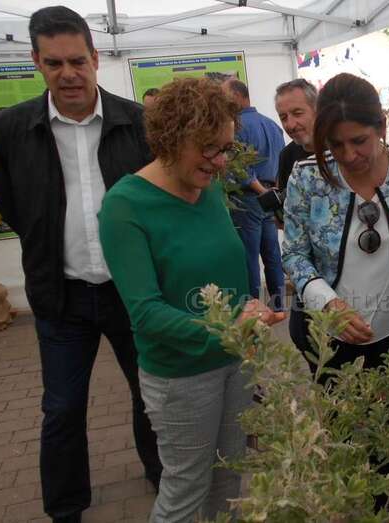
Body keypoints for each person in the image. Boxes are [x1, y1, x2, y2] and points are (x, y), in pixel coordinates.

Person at [0, 7, 161, 521]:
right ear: (36, 62)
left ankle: (163, 476)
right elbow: (15, 207)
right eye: (55, 63)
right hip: (60, 297)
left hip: (132, 293)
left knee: (150, 394)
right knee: (62, 408)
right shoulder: (12, 128)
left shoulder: (137, 122)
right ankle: (65, 508)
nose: (68, 74)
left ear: (96, 58)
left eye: (78, 61)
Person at [98, 77, 283, 522]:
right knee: (185, 490)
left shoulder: (210, 187)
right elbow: (146, 313)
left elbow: (222, 273)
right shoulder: (125, 206)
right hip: (180, 377)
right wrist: (228, 328)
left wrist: (248, 314)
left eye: (225, 148)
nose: (220, 162)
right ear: (171, 138)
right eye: (209, 148)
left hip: (234, 362)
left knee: (228, 479)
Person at [283, 71, 389, 385]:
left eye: (359, 141)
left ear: (381, 127)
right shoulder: (307, 177)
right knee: (335, 412)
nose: (349, 155)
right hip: (327, 333)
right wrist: (328, 303)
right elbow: (294, 254)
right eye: (336, 144)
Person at [222, 78, 286, 311]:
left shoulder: (237, 127)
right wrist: (272, 193)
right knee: (272, 254)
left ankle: (253, 308)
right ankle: (278, 305)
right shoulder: (273, 125)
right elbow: (281, 162)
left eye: (225, 96)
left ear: (238, 96)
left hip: (248, 198)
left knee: (249, 256)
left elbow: (240, 169)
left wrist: (261, 191)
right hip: (270, 199)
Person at [274, 78, 318, 192]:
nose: (290, 125)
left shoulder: (340, 148)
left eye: (297, 114)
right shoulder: (287, 156)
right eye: (283, 118)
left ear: (317, 110)